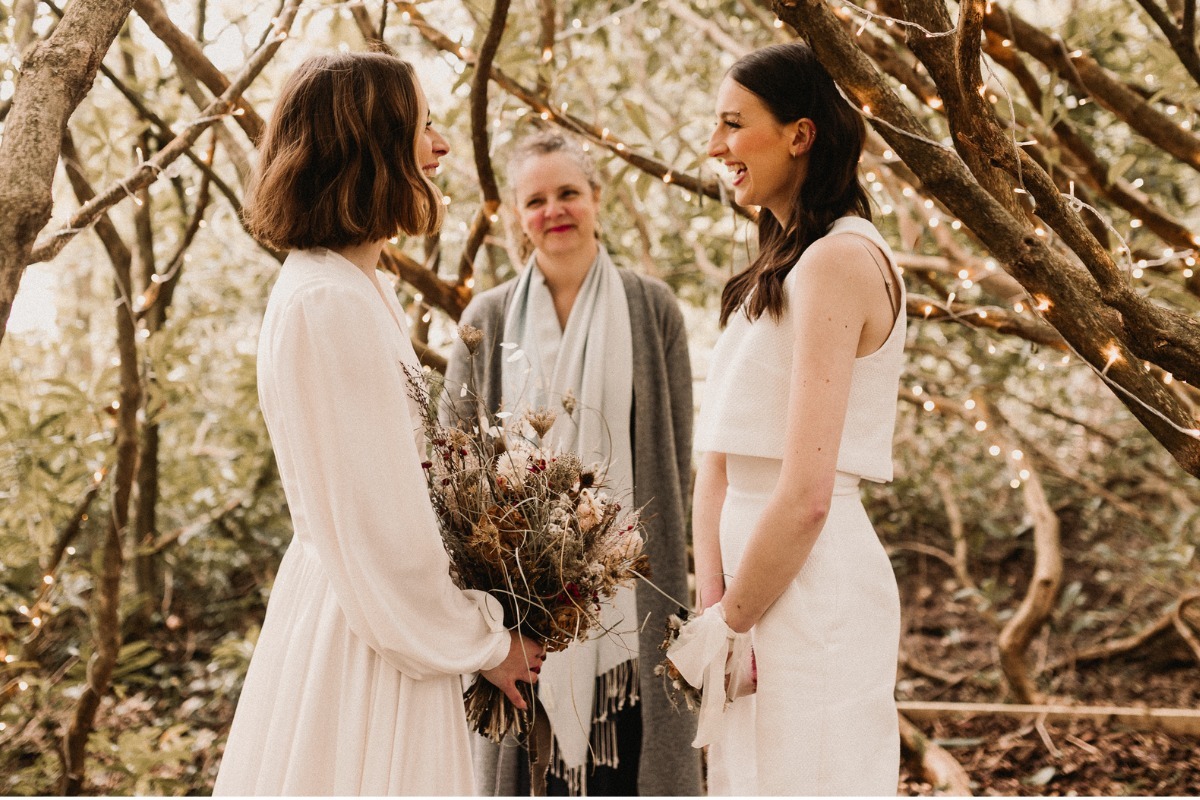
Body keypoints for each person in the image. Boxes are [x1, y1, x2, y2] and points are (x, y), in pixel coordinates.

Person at [212, 52, 545, 796]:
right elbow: (379, 523)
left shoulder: (352, 286)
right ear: (370, 145)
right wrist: (483, 641)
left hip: (368, 613)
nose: (442, 147)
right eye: (423, 126)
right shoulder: (328, 302)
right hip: (367, 633)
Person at [678, 42, 906, 795]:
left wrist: (729, 620)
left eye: (733, 124)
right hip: (748, 587)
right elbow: (716, 460)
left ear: (800, 134)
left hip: (808, 588)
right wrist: (713, 607)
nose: (715, 146)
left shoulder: (840, 262)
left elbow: (807, 493)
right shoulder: (778, 264)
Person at [443, 130, 700, 796]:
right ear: (515, 218)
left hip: (631, 590)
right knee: (529, 774)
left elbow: (675, 462)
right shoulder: (488, 318)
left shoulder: (653, 309)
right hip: (521, 601)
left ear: (597, 200)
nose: (554, 211)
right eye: (536, 200)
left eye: (568, 193)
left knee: (632, 765)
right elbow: (455, 467)